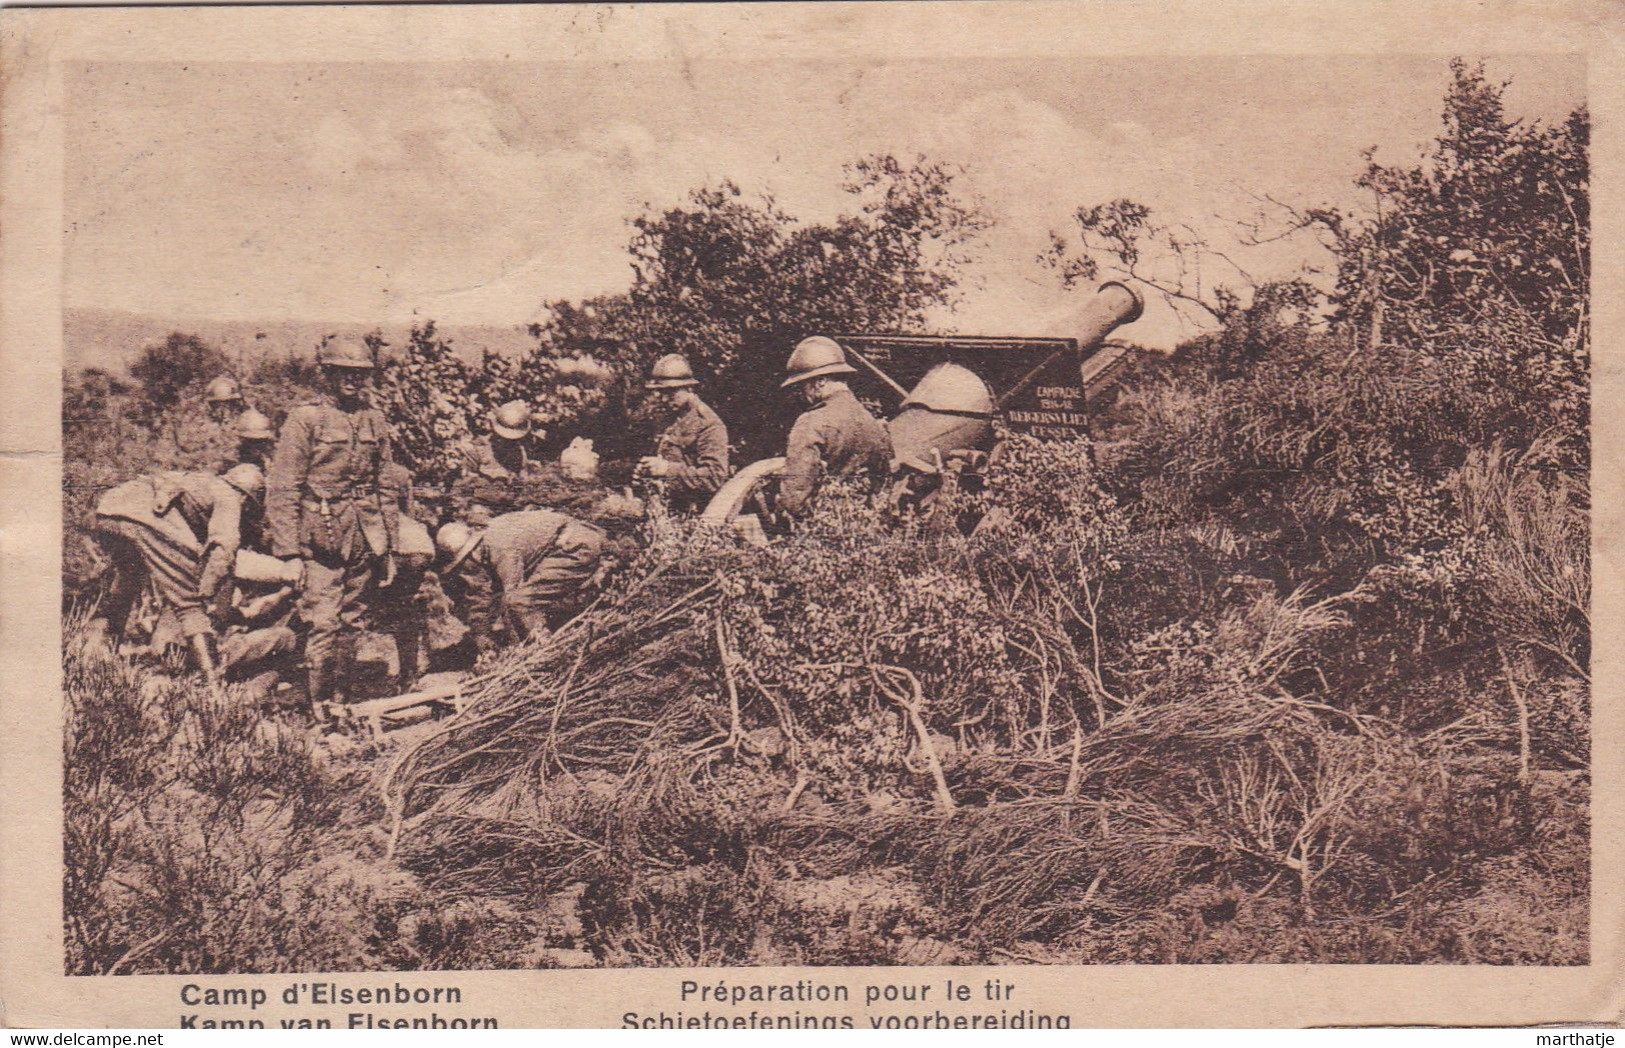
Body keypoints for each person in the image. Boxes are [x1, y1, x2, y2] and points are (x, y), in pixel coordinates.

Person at [266, 336, 399, 709]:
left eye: (359, 374)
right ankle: (319, 707)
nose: (352, 381)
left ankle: (342, 700)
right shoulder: (306, 418)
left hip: (364, 535)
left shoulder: (375, 420)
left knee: (353, 622)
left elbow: (385, 486)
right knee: (323, 622)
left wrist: (387, 548)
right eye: (342, 372)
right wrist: (289, 552)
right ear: (326, 373)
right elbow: (283, 488)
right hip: (320, 536)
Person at [89, 463, 265, 682]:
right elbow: (223, 548)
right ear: (246, 498)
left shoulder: (199, 479)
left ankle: (91, 658)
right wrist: (205, 591)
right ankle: (213, 685)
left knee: (126, 584)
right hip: (144, 519)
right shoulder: (229, 497)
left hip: (108, 511)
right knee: (189, 604)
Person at [435, 509, 606, 651]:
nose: (467, 568)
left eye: (465, 560)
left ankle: (544, 651)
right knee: (520, 602)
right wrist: (480, 633)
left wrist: (515, 645)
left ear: (472, 550)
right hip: (562, 546)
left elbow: (512, 596)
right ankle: (534, 645)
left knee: (521, 602)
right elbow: (481, 591)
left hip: (575, 546)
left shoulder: (500, 547)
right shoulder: (485, 549)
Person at [777, 336, 892, 517]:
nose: (801, 393)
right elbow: (884, 486)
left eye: (803, 385)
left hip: (822, 529)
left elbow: (794, 499)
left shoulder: (811, 422)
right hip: (866, 528)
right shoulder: (874, 423)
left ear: (820, 382)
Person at [368, 461, 435, 692]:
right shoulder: (400, 471)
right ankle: (409, 675)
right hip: (419, 543)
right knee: (406, 608)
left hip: (390, 544)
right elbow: (408, 510)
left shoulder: (353, 468)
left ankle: (341, 689)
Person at [636, 353, 730, 513]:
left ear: (689, 388)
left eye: (671, 392)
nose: (665, 399)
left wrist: (667, 470)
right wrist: (646, 471)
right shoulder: (669, 417)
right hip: (665, 510)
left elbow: (714, 477)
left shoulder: (708, 424)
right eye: (661, 392)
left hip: (698, 514)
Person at [455, 400, 545, 522]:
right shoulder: (477, 452)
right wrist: (472, 513)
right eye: (503, 438)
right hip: (480, 514)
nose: (509, 442)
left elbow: (523, 486)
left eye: (514, 439)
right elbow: (460, 492)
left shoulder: (519, 452)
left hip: (509, 515)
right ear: (494, 429)